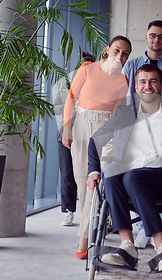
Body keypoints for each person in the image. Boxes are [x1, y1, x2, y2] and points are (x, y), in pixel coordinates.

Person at [87, 64, 162, 271]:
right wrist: (93, 171)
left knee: (132, 176)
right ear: (136, 87)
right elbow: (95, 140)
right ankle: (127, 245)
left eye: (153, 81)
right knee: (112, 171)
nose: (148, 86)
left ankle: (161, 246)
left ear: (161, 85)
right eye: (143, 82)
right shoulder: (124, 113)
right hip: (129, 181)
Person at [62, 35, 132, 259]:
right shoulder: (87, 69)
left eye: (125, 53)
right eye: (117, 50)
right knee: (82, 182)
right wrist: (66, 128)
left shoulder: (123, 80)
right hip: (81, 125)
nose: (120, 56)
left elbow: (118, 113)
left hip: (105, 130)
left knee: (95, 181)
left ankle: (85, 237)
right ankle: (94, 221)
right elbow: (71, 98)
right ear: (107, 50)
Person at [121, 20, 162, 248]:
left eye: (161, 37)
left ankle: (153, 227)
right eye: (153, 36)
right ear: (147, 37)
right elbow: (125, 97)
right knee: (135, 170)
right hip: (137, 125)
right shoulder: (131, 66)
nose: (156, 40)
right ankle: (143, 229)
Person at [52, 52, 95, 227]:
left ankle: (92, 211)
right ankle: (68, 211)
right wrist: (65, 131)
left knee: (88, 172)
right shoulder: (66, 81)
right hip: (66, 133)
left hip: (88, 134)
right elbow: (59, 107)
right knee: (68, 173)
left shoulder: (96, 82)